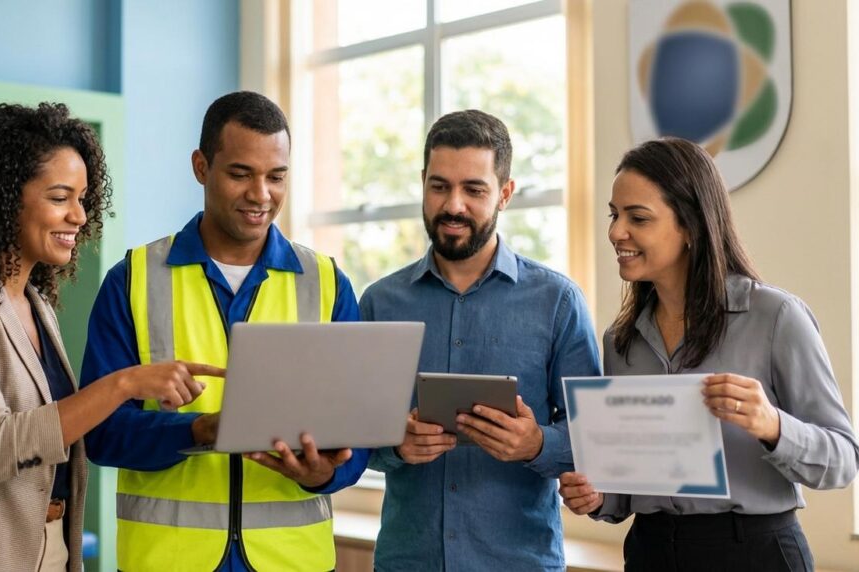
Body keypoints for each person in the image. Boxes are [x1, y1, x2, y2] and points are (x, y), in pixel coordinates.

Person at [0, 103, 219, 572]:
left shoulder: (37, 304)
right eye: (60, 197)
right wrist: (125, 384)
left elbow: (58, 433)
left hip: (45, 546)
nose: (79, 216)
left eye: (83, 198)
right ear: (2, 197)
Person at [80, 91, 369, 572]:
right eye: (241, 174)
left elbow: (359, 431)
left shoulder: (327, 283)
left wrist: (325, 472)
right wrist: (197, 430)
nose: (261, 194)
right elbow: (100, 433)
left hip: (292, 563)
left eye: (276, 176)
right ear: (201, 167)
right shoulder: (131, 280)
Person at [559, 137, 859, 571]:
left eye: (637, 218)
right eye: (614, 214)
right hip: (650, 552)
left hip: (755, 554)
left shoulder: (776, 318)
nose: (615, 232)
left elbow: (843, 461)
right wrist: (599, 497)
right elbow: (627, 486)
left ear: (691, 226)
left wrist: (772, 424)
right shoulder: (620, 341)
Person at [360, 109, 601, 570]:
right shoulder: (379, 303)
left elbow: (595, 439)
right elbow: (350, 432)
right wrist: (396, 445)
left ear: (505, 194)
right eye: (439, 186)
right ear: (423, 183)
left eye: (474, 189)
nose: (453, 205)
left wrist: (536, 444)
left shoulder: (558, 301)